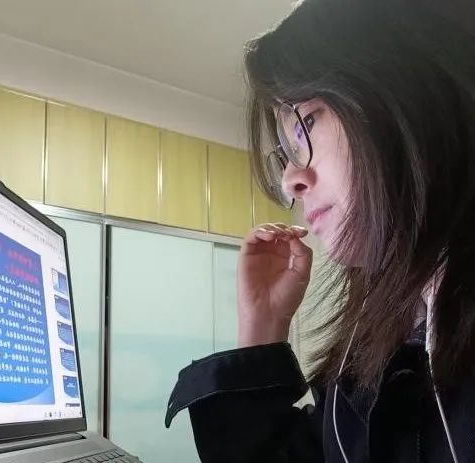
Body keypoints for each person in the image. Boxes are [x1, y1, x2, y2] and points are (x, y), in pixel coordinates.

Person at [165, 0, 475, 461]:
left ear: (407, 89)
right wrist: (263, 324)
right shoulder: (378, 338)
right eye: (287, 152)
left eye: (306, 122)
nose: (290, 180)